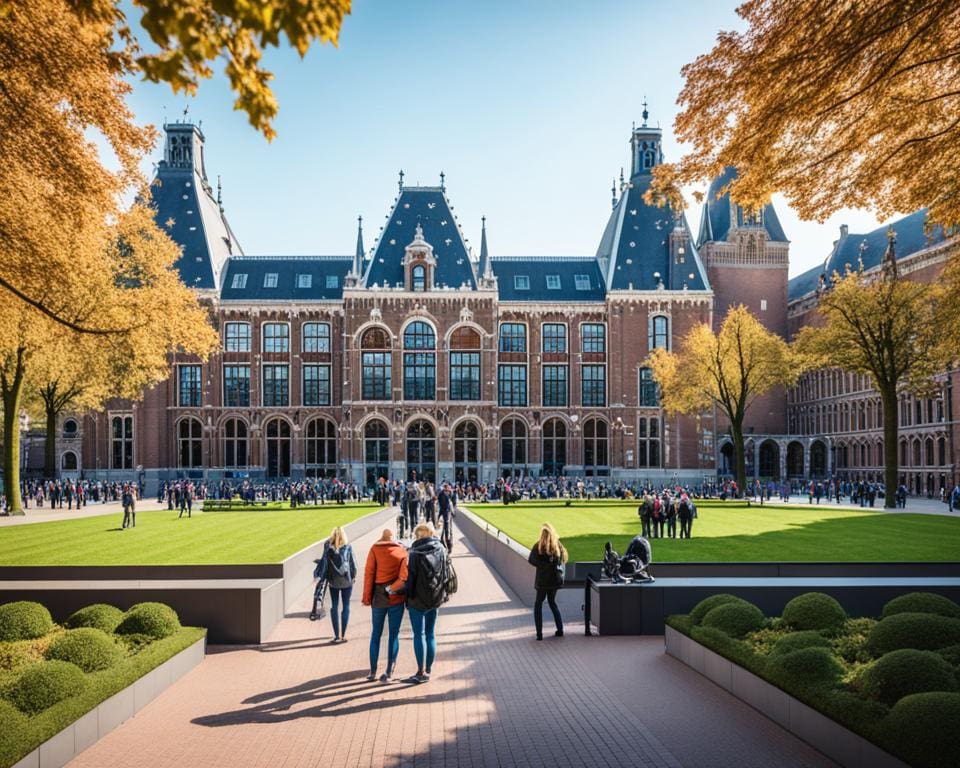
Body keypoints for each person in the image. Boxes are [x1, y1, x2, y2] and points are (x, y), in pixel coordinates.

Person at [404, 524, 450, 683]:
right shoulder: (441, 549)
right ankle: (428, 668)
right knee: (430, 633)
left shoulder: (415, 553)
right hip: (435, 597)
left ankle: (420, 671)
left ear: (418, 536)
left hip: (417, 599)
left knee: (419, 634)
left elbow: (411, 579)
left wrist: (407, 598)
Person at [362, 529, 408, 682]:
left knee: (376, 634)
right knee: (393, 635)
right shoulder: (401, 551)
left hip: (378, 597)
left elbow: (369, 574)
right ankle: (389, 671)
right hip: (396, 596)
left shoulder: (374, 549)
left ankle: (373, 671)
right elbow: (404, 577)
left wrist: (366, 597)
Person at [316, 526, 357, 643]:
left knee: (334, 607)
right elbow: (352, 563)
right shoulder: (348, 547)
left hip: (333, 581)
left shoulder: (328, 548)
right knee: (346, 607)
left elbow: (324, 564)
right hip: (346, 581)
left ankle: (336, 635)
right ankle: (343, 634)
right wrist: (353, 576)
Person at [527, 522, 567, 641]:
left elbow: (531, 560)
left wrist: (542, 565)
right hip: (554, 581)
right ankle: (560, 630)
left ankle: (539, 634)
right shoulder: (557, 546)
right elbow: (563, 558)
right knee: (552, 603)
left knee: (538, 605)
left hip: (542, 581)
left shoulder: (538, 546)